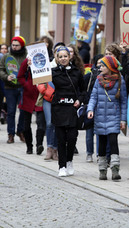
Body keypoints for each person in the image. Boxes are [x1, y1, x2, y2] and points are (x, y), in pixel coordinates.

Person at [87, 56, 127, 180]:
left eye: (103, 66)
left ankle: (115, 169)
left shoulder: (120, 80)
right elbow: (93, 97)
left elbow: (123, 101)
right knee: (102, 144)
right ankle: (102, 169)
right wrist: (90, 109)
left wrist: (123, 119)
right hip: (100, 116)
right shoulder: (98, 80)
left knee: (113, 141)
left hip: (113, 116)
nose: (100, 68)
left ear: (110, 67)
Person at [51, 46, 85, 177]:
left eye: (65, 56)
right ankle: (62, 166)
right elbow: (38, 79)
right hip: (59, 108)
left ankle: (69, 161)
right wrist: (32, 66)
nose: (63, 59)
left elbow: (83, 90)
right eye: (60, 57)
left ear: (70, 57)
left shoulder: (76, 72)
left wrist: (79, 100)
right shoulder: (53, 72)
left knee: (71, 138)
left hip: (72, 108)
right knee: (61, 139)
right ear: (57, 59)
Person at [0, 36, 28, 143]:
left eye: (17, 45)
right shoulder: (6, 56)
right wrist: (6, 77)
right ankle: (11, 134)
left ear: (22, 46)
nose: (14, 47)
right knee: (11, 111)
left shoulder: (27, 56)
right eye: (13, 45)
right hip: (10, 87)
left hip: (23, 87)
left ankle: (21, 131)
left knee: (23, 110)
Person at [17, 57, 43, 154]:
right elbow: (20, 76)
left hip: (41, 95)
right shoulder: (27, 60)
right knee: (26, 125)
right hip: (28, 96)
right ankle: (29, 146)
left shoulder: (44, 60)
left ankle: (39, 145)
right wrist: (27, 84)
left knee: (41, 124)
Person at [83, 54, 104, 163]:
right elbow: (83, 89)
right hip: (90, 106)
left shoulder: (107, 76)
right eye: (99, 62)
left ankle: (99, 154)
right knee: (89, 132)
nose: (100, 65)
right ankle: (89, 153)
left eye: (103, 63)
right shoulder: (89, 76)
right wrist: (86, 102)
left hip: (102, 108)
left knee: (100, 133)